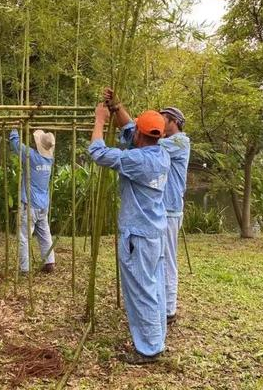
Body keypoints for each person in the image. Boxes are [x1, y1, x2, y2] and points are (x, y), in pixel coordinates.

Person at [89, 96, 169, 364]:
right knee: (153, 288)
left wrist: (100, 120)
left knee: (141, 291)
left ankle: (148, 349)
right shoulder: (161, 154)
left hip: (138, 236)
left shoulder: (138, 160)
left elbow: (98, 153)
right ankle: (156, 339)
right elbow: (129, 130)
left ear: (139, 135)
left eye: (135, 129)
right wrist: (117, 108)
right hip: (154, 233)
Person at [157, 107, 190, 324]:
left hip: (170, 210)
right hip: (162, 209)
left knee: (167, 259)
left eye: (162, 120)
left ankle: (169, 309)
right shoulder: (170, 141)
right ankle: (161, 302)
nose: (159, 124)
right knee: (158, 258)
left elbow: (150, 144)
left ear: (173, 121)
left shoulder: (180, 142)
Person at [9, 128, 56, 274]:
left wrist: (14, 129)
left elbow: (16, 144)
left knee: (24, 237)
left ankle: (24, 269)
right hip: (43, 204)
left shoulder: (32, 156)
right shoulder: (50, 159)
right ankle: (49, 262)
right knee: (44, 233)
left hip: (30, 204)